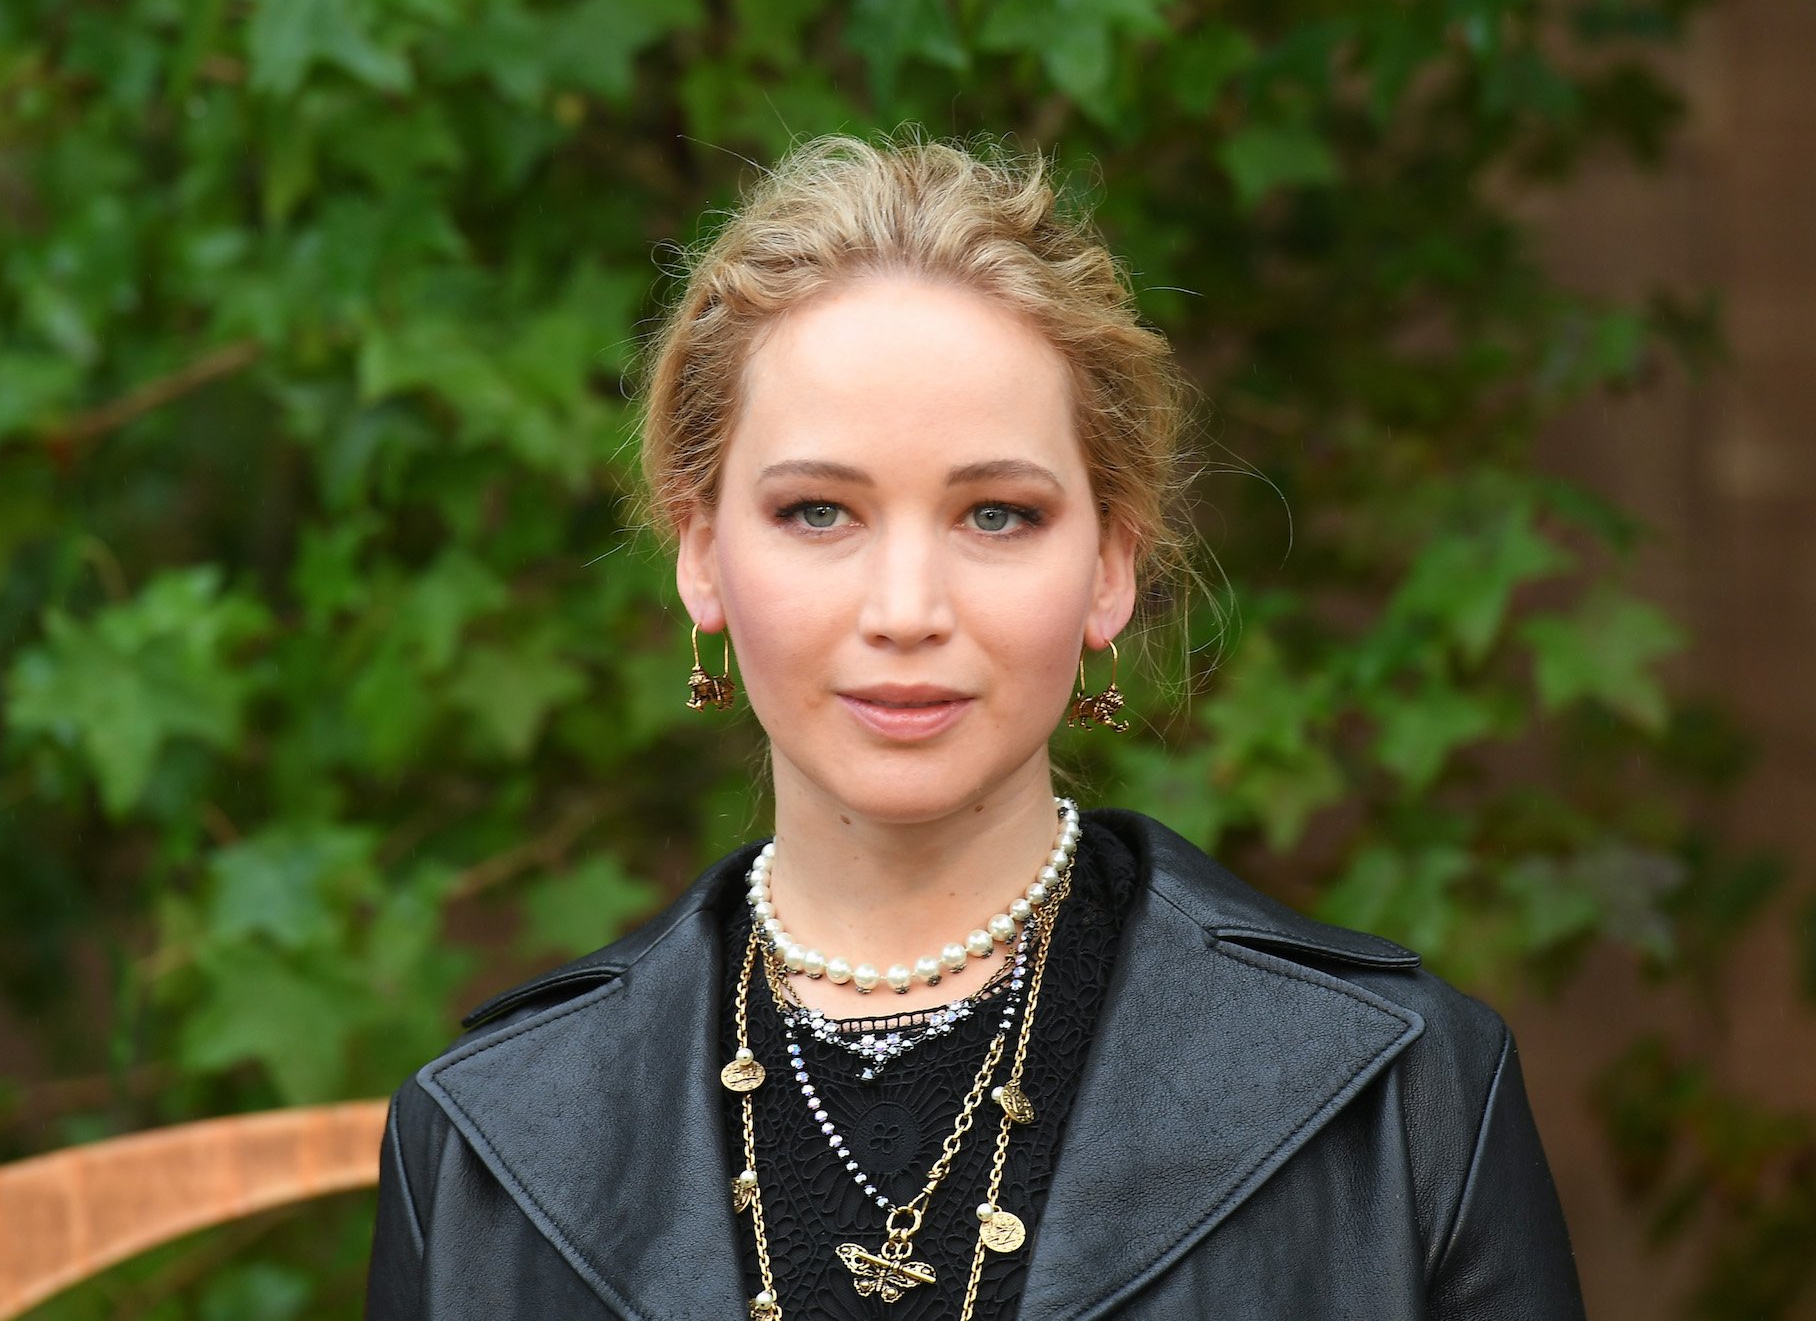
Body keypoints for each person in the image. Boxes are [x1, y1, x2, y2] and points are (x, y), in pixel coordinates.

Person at [364, 133, 1586, 1319]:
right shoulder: (478, 1145)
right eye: (817, 512)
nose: (906, 611)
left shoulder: (1404, 1096)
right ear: (700, 554)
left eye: (995, 514)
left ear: (1109, 564)